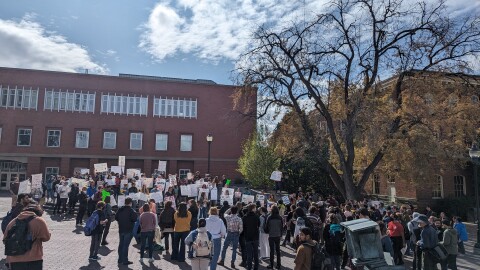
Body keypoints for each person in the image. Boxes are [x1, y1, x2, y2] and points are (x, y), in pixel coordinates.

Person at [3, 201, 51, 270]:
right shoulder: (39, 221)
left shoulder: (13, 222)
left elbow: (5, 239)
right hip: (34, 258)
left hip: (14, 259)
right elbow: (46, 238)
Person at [115, 197, 137, 265]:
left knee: (121, 244)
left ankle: (120, 259)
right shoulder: (132, 210)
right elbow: (135, 219)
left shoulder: (120, 209)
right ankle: (125, 260)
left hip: (121, 229)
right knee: (125, 245)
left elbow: (116, 217)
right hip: (128, 229)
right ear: (130, 203)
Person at [243, 203, 260, 270]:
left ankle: (249, 268)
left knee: (249, 254)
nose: (256, 209)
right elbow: (259, 225)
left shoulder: (245, 216)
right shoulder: (256, 216)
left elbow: (243, 227)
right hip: (255, 237)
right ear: (253, 208)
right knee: (256, 253)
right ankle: (256, 268)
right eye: (255, 208)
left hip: (248, 237)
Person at [265, 205, 283, 269]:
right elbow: (282, 227)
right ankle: (278, 265)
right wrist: (281, 234)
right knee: (278, 250)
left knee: (272, 251)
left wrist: (268, 231)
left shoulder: (269, 217)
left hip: (271, 235)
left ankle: (271, 265)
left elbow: (266, 228)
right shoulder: (280, 217)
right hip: (278, 235)